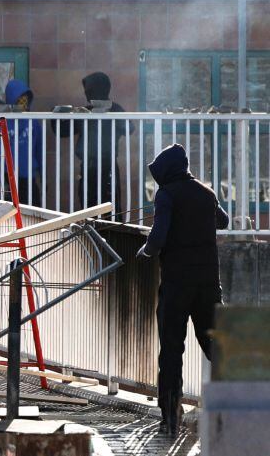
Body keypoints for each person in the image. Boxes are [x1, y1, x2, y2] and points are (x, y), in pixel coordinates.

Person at [137, 144, 228, 435]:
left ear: (166, 171)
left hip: (176, 286)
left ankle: (171, 418)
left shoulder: (166, 195)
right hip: (208, 285)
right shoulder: (206, 193)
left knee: (172, 350)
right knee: (217, 347)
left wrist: (145, 251)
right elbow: (223, 221)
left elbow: (157, 239)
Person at [54, 72, 128, 211]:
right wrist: (56, 115)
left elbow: (129, 128)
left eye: (89, 90)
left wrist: (108, 116)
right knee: (88, 208)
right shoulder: (86, 112)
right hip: (88, 167)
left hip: (108, 166)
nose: (86, 94)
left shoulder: (115, 109)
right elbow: (62, 131)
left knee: (111, 210)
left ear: (99, 89)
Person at [0, 80, 43, 206]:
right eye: (19, 99)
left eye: (25, 99)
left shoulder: (33, 122)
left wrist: (43, 176)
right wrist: (0, 179)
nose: (23, 102)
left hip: (28, 177)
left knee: (32, 213)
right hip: (5, 178)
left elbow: (40, 150)